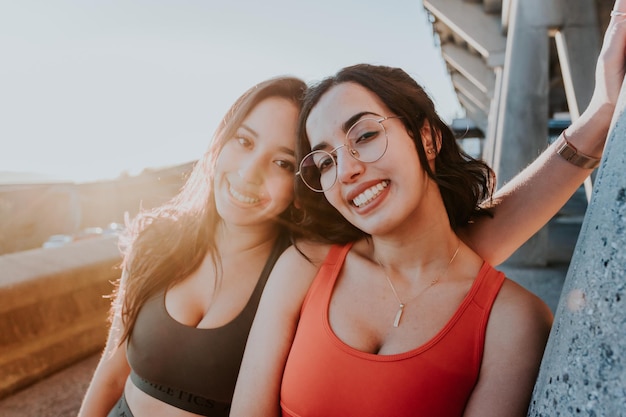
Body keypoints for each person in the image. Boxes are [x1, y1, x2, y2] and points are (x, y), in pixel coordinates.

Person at [230, 7, 626, 416]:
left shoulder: (513, 320)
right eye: (325, 162)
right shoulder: (304, 267)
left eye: (364, 135)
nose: (346, 170)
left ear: (429, 138)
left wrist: (602, 113)